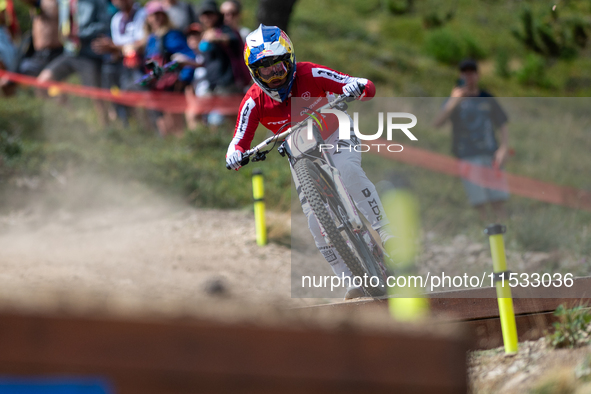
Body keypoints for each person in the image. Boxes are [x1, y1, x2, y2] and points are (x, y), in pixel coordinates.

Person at [225, 24, 394, 300]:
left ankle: (386, 233)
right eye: (265, 70)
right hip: (299, 151)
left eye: (279, 66)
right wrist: (234, 154)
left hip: (334, 130)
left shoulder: (310, 72)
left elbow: (363, 85)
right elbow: (239, 141)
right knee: (315, 222)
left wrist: (357, 86)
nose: (274, 75)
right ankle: (349, 279)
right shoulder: (253, 101)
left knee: (348, 169)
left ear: (290, 59)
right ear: (254, 72)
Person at [433, 58, 510, 221]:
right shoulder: (454, 100)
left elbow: (502, 122)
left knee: (498, 199)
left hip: (491, 154)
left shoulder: (487, 97)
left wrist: (503, 148)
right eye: (465, 73)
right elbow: (438, 123)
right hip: (467, 155)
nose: (468, 76)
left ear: (477, 75)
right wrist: (454, 101)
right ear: (460, 75)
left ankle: (506, 233)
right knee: (479, 201)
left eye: (471, 73)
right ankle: (486, 232)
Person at [37, 0, 110, 125]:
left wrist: (80, 33)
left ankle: (107, 132)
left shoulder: (97, 2)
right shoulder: (63, 2)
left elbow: (105, 24)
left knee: (96, 98)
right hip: (69, 53)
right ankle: (73, 119)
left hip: (88, 55)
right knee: (42, 83)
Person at [143, 0, 195, 135]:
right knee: (163, 127)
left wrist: (183, 80)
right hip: (156, 87)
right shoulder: (151, 39)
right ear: (148, 18)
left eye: (160, 14)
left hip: (172, 87)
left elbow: (189, 57)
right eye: (153, 15)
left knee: (175, 126)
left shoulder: (172, 35)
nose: (156, 18)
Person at [91, 0, 147, 125]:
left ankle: (149, 129)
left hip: (142, 64)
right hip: (122, 66)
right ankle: (131, 127)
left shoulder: (143, 14)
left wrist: (114, 46)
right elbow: (120, 48)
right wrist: (108, 48)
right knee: (120, 95)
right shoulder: (116, 19)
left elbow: (142, 43)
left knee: (143, 98)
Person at [17, 0, 62, 78]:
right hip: (39, 54)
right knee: (18, 76)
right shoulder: (39, 3)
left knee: (47, 82)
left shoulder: (62, 3)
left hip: (57, 53)